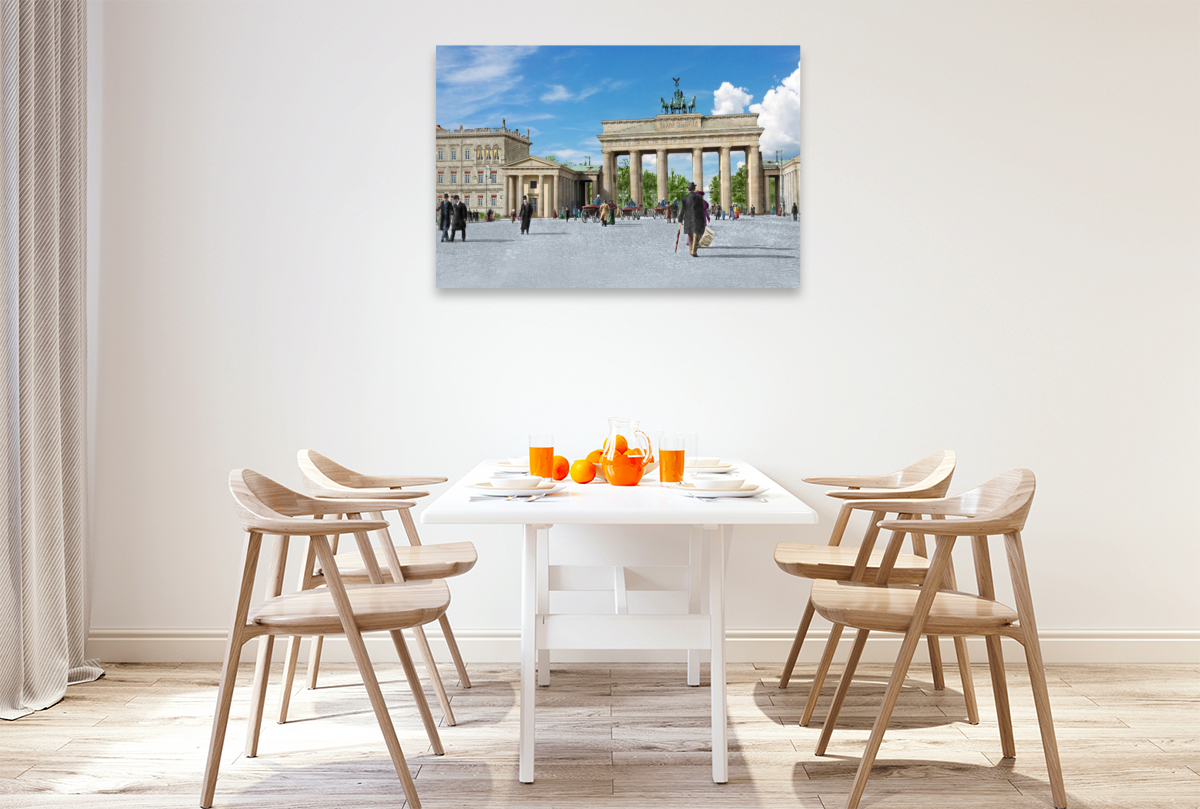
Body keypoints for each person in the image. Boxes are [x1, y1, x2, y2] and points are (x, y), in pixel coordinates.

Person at [679, 182, 705, 258]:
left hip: (688, 219)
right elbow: (701, 211)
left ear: (688, 189)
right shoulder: (699, 198)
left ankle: (691, 251)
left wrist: (680, 219)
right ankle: (694, 251)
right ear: (694, 189)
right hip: (697, 219)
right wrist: (702, 220)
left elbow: (682, 210)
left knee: (690, 236)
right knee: (696, 235)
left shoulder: (684, 198)